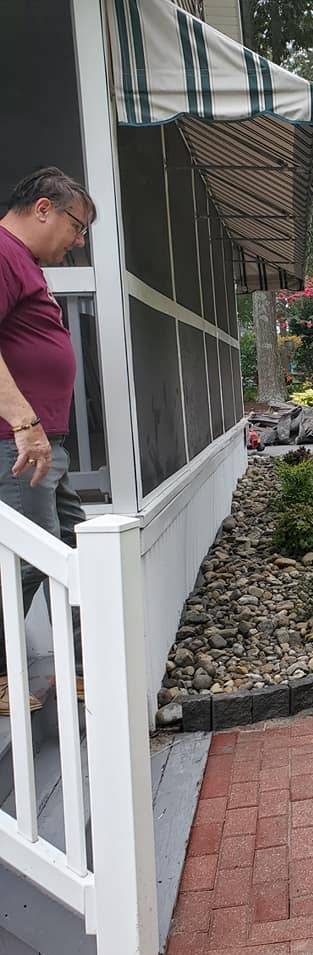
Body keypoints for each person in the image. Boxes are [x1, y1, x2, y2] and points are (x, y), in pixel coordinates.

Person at [0, 167, 96, 716]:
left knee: (73, 549)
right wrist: (22, 421)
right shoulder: (5, 253)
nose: (78, 243)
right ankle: (2, 674)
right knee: (28, 560)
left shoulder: (23, 263)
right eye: (77, 227)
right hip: (17, 447)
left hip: (43, 446)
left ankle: (82, 668)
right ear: (43, 208)